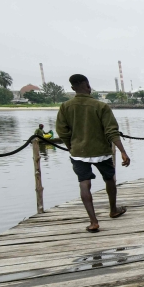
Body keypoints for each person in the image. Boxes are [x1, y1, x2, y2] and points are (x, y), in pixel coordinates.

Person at [55, 74, 131, 232]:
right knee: (109, 179)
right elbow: (111, 131)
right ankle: (113, 210)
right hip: (101, 151)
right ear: (87, 85)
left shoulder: (66, 107)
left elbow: (62, 131)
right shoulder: (100, 106)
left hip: (78, 152)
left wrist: (71, 146)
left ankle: (94, 221)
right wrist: (123, 151)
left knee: (84, 183)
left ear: (72, 88)